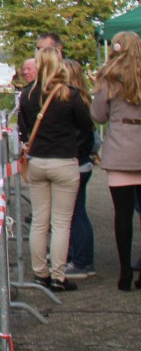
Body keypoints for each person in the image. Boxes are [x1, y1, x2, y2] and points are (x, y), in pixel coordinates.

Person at [18, 46, 93, 292]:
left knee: (40, 221)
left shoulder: (27, 95)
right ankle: (58, 275)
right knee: (61, 222)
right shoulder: (69, 94)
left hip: (38, 161)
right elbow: (86, 125)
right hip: (64, 160)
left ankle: (40, 272)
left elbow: (24, 128)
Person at [90, 30, 141, 291]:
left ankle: (124, 273)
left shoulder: (109, 78)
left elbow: (98, 115)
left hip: (120, 148)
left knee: (122, 214)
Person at [62, 59, 97, 279]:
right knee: (75, 213)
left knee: (75, 214)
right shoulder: (83, 100)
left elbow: (82, 136)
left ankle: (82, 261)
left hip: (75, 162)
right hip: (80, 161)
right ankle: (76, 256)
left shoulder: (76, 103)